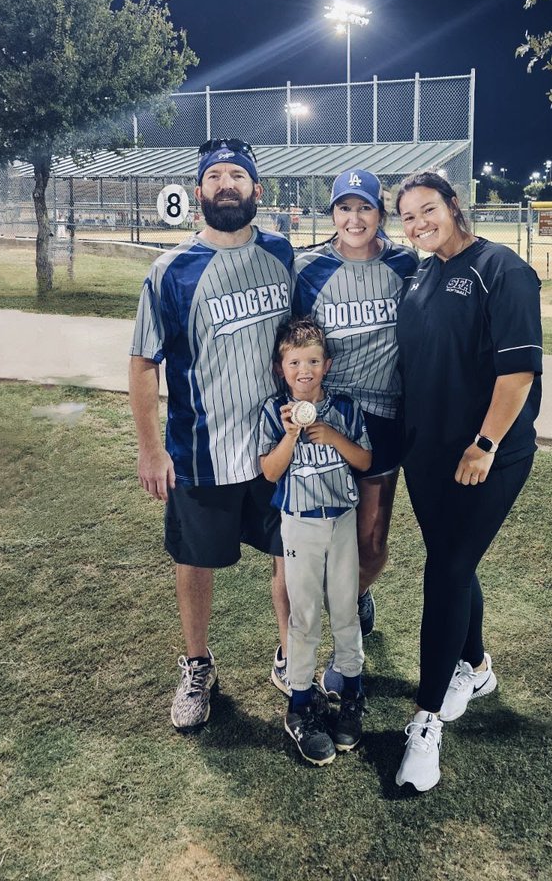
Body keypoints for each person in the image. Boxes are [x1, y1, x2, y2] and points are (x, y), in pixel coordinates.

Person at [129, 137, 293, 731]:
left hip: (277, 445)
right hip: (200, 447)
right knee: (194, 560)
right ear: (199, 191)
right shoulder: (169, 271)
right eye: (216, 175)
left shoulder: (282, 254)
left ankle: (290, 657)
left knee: (289, 555)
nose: (228, 184)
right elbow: (144, 363)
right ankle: (198, 663)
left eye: (238, 175)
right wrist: (150, 448)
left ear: (257, 189)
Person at [392, 171, 543, 792]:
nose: (419, 223)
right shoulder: (421, 275)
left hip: (486, 457)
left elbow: (517, 377)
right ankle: (475, 667)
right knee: (451, 561)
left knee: (447, 571)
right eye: (408, 217)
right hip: (425, 456)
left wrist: (485, 444)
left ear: (455, 206)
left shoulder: (502, 270)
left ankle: (426, 723)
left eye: (428, 209)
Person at [291, 167, 417, 690]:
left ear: (380, 215)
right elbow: (295, 346)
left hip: (385, 413)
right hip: (330, 414)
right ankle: (309, 636)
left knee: (370, 535)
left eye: (364, 207)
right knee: (318, 532)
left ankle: (355, 602)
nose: (354, 218)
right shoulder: (310, 270)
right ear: (333, 215)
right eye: (344, 208)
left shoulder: (405, 264)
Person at [259, 317, 372, 765]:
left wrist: (334, 437)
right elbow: (270, 471)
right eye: (294, 362)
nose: (303, 370)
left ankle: (351, 695)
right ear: (281, 368)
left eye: (312, 361)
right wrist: (291, 435)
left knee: (345, 610)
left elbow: (365, 460)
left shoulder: (343, 407)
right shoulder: (274, 411)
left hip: (341, 519)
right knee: (303, 616)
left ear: (326, 365)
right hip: (299, 523)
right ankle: (300, 706)